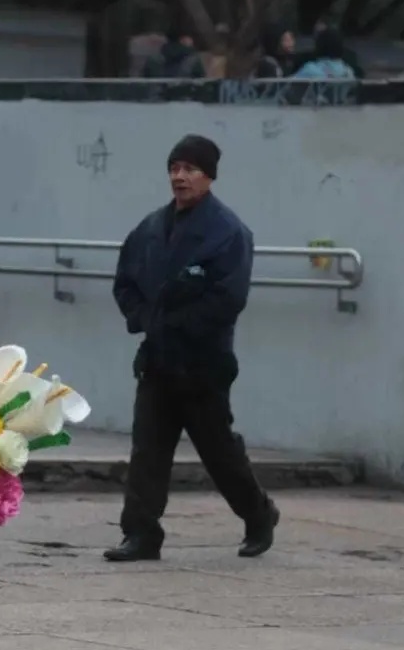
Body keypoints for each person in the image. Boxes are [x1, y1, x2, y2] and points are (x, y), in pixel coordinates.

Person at [108, 134, 279, 563]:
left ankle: (259, 515)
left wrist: (177, 326)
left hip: (203, 363)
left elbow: (228, 298)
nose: (180, 177)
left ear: (209, 177)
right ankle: (141, 533)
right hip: (157, 361)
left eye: (190, 169)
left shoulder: (228, 233)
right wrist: (145, 320)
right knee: (148, 448)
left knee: (218, 450)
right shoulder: (149, 229)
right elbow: (125, 282)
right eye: (174, 168)